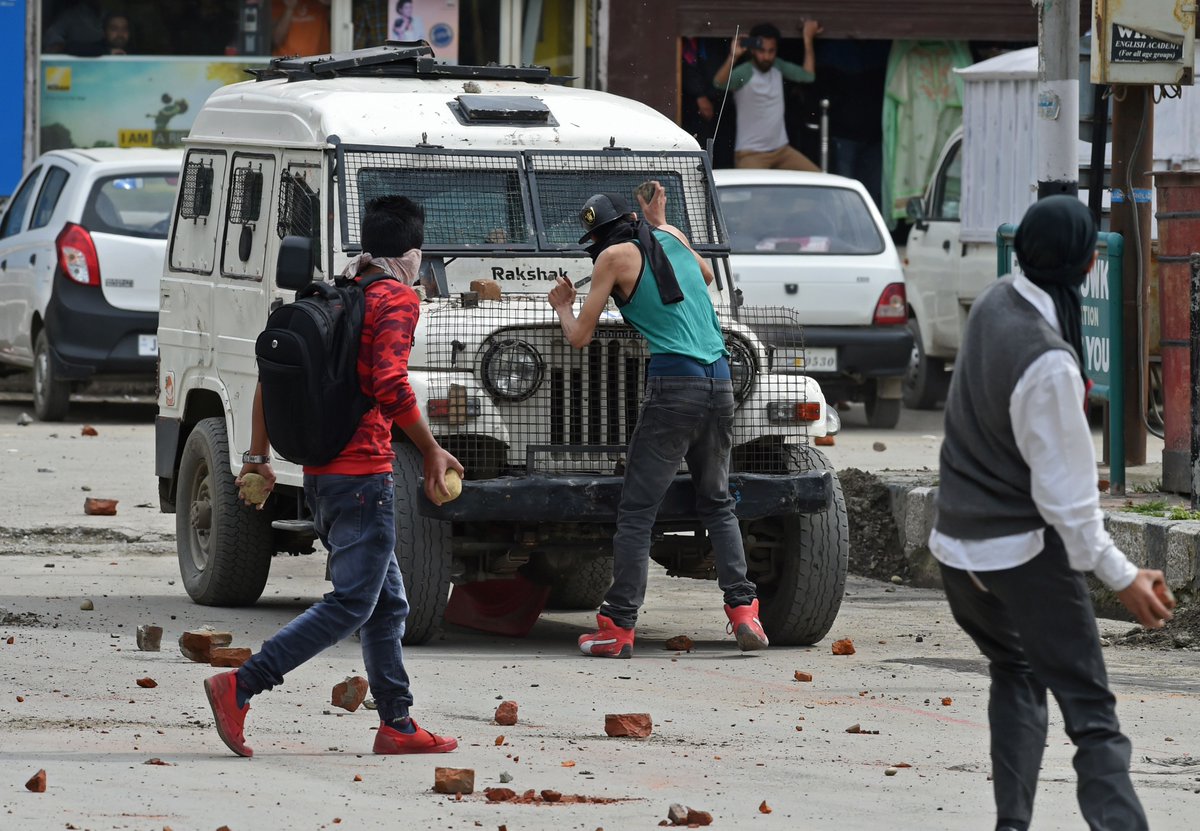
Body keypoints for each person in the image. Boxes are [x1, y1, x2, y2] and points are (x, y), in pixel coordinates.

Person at [931, 195, 1175, 831]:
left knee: (1014, 671)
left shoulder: (992, 304)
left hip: (957, 552)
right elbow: (1068, 506)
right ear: (1085, 263)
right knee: (1093, 714)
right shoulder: (1048, 362)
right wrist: (1122, 576)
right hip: (1021, 556)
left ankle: (1011, 825)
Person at [204, 195, 464, 758]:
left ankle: (397, 723)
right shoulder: (394, 297)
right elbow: (392, 383)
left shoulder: (339, 290)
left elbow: (272, 377)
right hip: (364, 476)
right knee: (351, 602)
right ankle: (241, 684)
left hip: (321, 474)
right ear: (414, 255)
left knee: (388, 602)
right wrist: (433, 449)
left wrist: (256, 458)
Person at [547, 183, 768, 658]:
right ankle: (745, 610)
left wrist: (563, 306)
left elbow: (581, 336)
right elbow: (705, 275)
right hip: (721, 382)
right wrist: (662, 220)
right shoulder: (674, 235)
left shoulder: (612, 259)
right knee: (717, 503)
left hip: (675, 387)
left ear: (600, 239)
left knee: (637, 511)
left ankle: (618, 625)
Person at [712, 21, 823, 171]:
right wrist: (733, 56)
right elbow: (719, 83)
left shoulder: (777, 66)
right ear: (752, 50)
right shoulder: (745, 72)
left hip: (782, 151)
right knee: (758, 194)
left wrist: (808, 39)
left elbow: (808, 76)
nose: (766, 56)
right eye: (762, 51)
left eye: (771, 51)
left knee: (817, 179)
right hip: (751, 154)